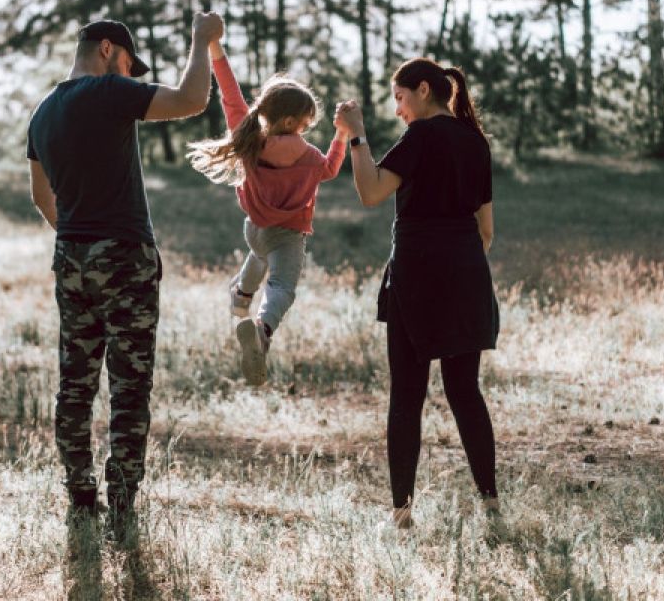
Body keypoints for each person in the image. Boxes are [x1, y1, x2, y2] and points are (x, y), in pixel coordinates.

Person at [27, 13, 225, 537]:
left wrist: (76, 233)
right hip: (124, 256)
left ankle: (80, 491)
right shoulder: (109, 92)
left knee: (75, 381)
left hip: (71, 256)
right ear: (108, 50)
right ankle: (121, 500)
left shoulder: (43, 112)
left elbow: (40, 196)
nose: (132, 77)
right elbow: (191, 99)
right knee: (129, 383)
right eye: (129, 66)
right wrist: (202, 39)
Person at [334, 58, 499, 529]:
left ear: (423, 90)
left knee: (407, 395)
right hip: (467, 275)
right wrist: (459, 261)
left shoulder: (421, 137)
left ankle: (402, 515)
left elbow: (370, 192)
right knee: (466, 391)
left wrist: (357, 135)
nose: (400, 111)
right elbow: (486, 230)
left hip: (417, 277)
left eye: (401, 99)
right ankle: (490, 503)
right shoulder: (475, 143)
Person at [187, 41, 346, 386]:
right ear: (290, 121)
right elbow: (332, 169)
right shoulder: (309, 157)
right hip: (287, 236)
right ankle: (262, 329)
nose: (305, 130)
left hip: (254, 230)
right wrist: (343, 134)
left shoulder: (249, 141)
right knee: (281, 287)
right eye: (304, 124)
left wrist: (215, 48)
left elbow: (230, 94)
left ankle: (241, 294)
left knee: (258, 254)